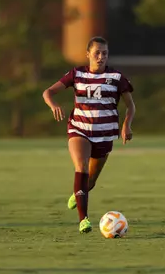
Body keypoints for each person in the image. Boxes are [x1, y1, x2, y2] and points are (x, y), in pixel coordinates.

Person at [42, 36, 136, 233]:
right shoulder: (77, 74)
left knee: (90, 181)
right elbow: (48, 92)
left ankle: (78, 193)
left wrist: (126, 125)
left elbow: (131, 106)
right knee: (81, 167)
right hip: (79, 128)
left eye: (105, 53)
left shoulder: (117, 78)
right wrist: (54, 105)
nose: (101, 57)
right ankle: (83, 219)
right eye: (97, 53)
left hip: (105, 134)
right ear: (88, 54)